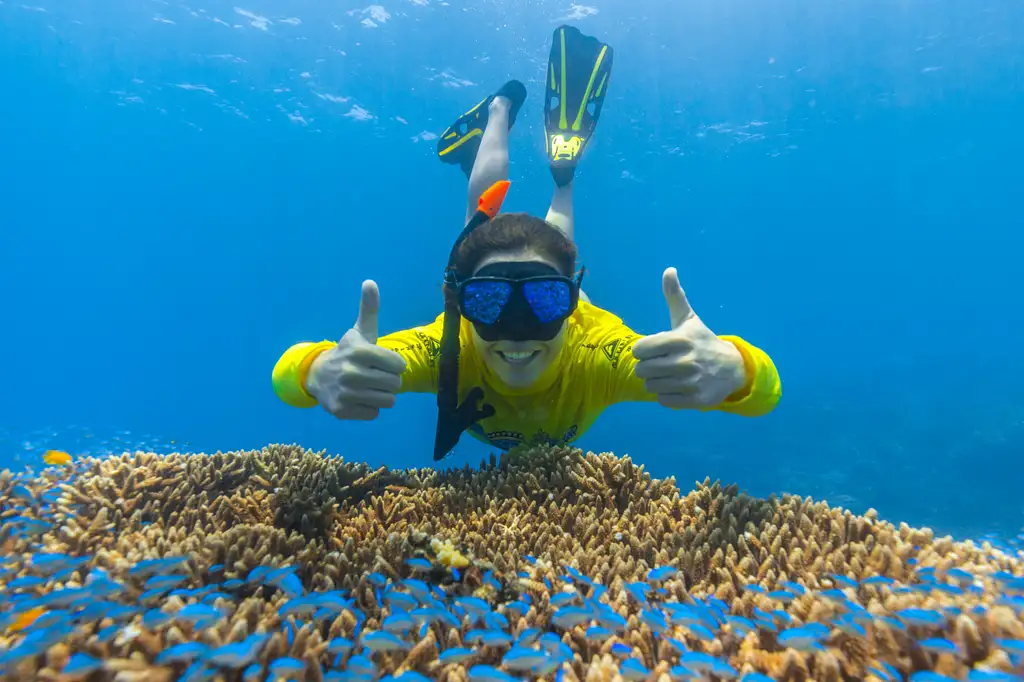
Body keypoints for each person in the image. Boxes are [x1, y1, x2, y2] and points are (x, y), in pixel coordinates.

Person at [272, 25, 782, 459]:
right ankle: (499, 111)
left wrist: (735, 371)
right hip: (504, 279)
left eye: (543, 300)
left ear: (571, 299)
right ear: (460, 302)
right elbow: (292, 369)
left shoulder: (595, 354)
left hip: (554, 295)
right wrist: (318, 371)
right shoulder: (446, 349)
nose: (517, 333)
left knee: (506, 220)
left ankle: (556, 173)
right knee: (484, 218)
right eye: (489, 301)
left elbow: (763, 392)